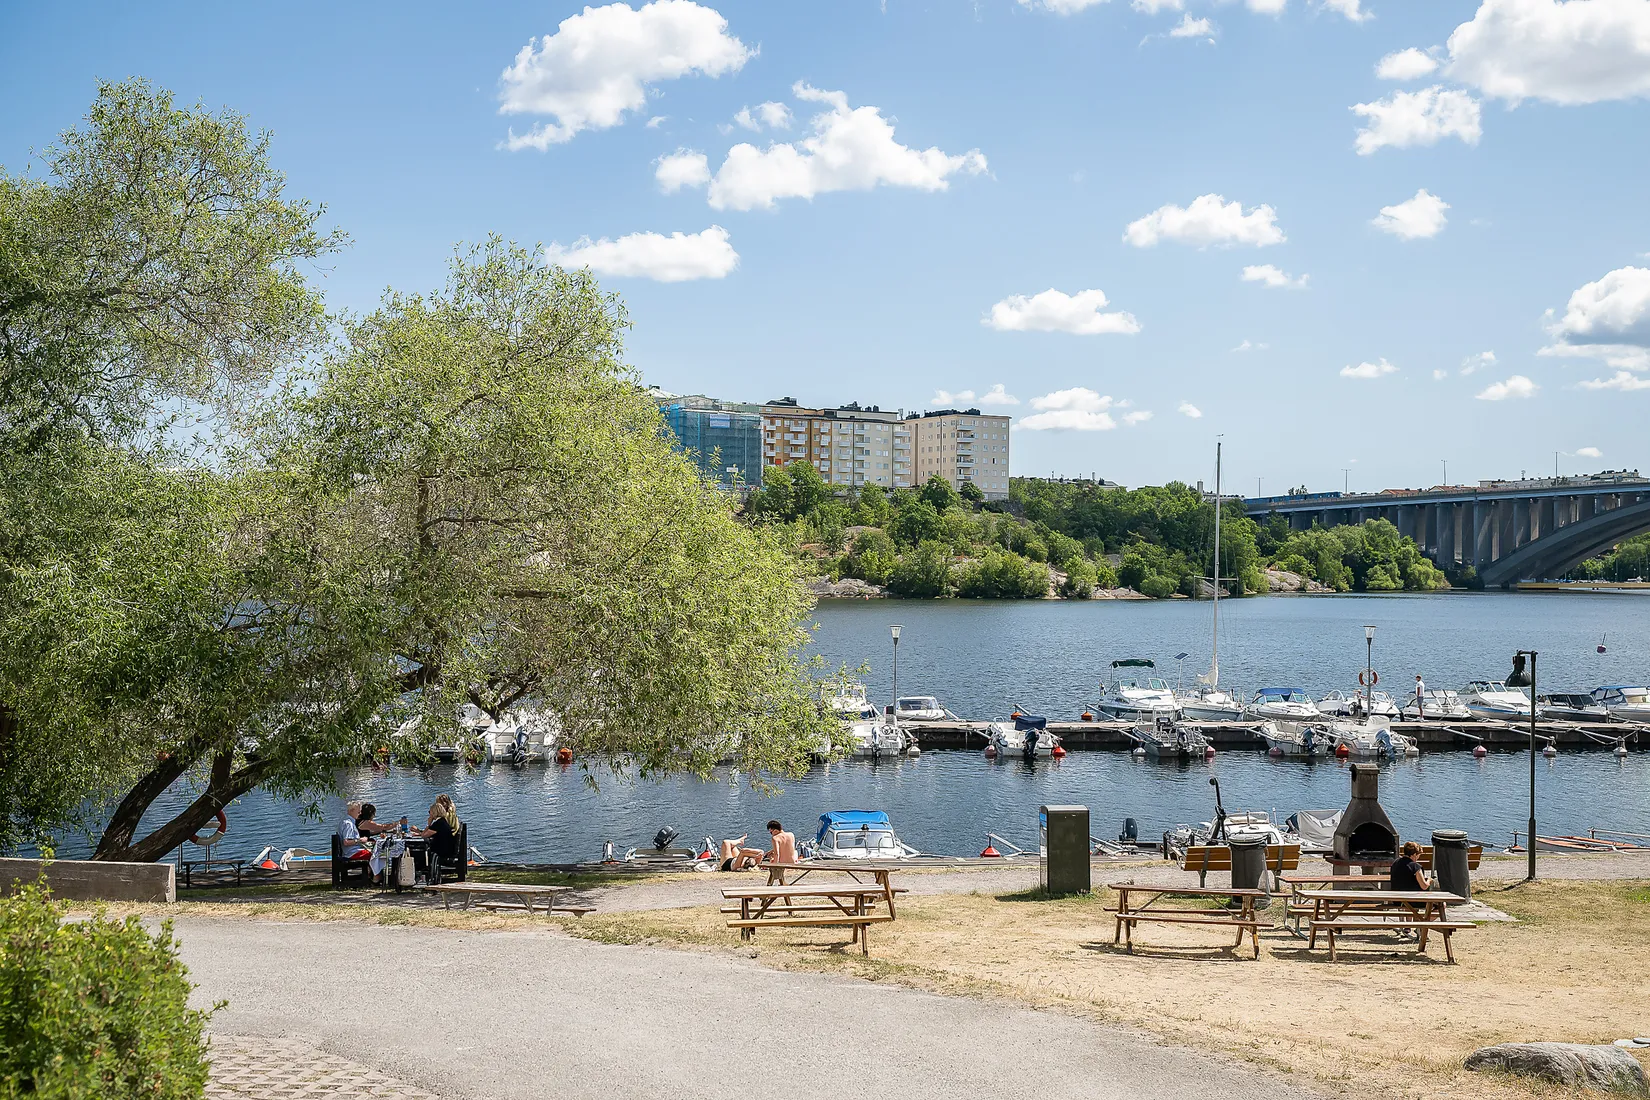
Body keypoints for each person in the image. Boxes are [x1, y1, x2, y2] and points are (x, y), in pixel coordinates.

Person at [413, 795, 461, 884]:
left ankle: (419, 874)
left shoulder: (438, 824)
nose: (429, 814)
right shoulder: (442, 821)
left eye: (430, 812)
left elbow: (424, 836)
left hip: (442, 851)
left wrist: (428, 824)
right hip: (447, 848)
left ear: (434, 813)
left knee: (418, 852)